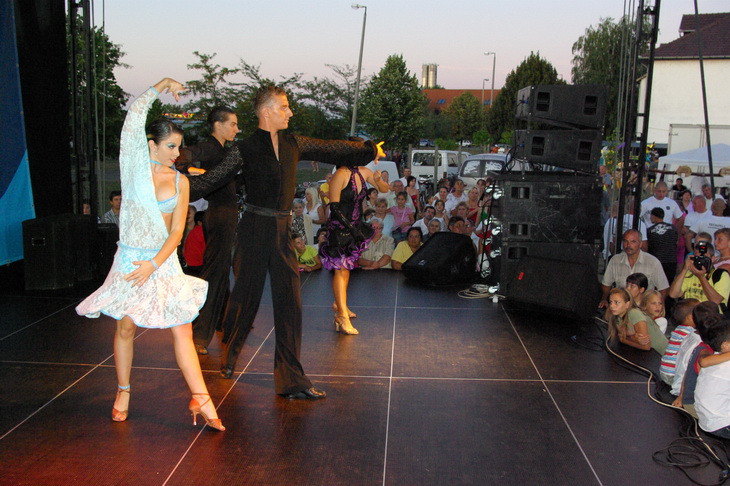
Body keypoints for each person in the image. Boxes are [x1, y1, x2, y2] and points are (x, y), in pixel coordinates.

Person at [187, 84, 382, 399]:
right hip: (253, 230)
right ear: (266, 111)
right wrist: (171, 177)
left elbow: (331, 149)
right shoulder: (245, 148)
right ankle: (230, 354)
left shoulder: (294, 143)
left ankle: (291, 380)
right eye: (284, 107)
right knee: (244, 298)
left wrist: (369, 150)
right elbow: (209, 181)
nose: (290, 112)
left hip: (281, 230)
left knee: (290, 304)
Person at [75, 78, 224, 431]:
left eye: (179, 147)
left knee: (182, 329)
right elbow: (133, 119)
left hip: (163, 261)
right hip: (130, 260)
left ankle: (201, 398)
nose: (176, 153)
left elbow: (177, 232)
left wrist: (154, 265)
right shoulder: (134, 170)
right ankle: (123, 391)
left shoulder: (180, 181)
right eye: (170, 146)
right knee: (125, 327)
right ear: (151, 145)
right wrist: (158, 88)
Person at [175, 105, 240, 356]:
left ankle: (223, 321)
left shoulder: (227, 150)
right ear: (218, 125)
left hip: (227, 215)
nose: (236, 129)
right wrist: (191, 170)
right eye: (232, 124)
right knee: (215, 272)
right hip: (219, 215)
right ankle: (199, 334)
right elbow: (183, 154)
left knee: (221, 271)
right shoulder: (210, 147)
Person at [319, 162, 389, 334]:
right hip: (340, 228)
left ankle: (340, 304)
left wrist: (379, 180)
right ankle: (342, 315)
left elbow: (385, 189)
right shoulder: (340, 174)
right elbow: (334, 207)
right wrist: (351, 228)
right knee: (340, 269)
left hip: (355, 226)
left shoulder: (363, 172)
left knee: (346, 269)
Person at [599, 229, 670, 308]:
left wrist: (655, 307)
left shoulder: (653, 262)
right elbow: (606, 284)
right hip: (622, 307)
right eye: (625, 241)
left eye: (633, 242)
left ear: (640, 244)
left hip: (644, 308)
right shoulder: (615, 260)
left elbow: (663, 289)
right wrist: (604, 299)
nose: (628, 245)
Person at [605, 288, 668, 355]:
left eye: (616, 302)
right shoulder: (618, 317)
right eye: (611, 302)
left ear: (627, 304)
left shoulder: (634, 313)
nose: (612, 306)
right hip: (649, 354)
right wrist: (632, 338)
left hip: (664, 354)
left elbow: (646, 346)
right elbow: (621, 337)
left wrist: (625, 340)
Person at [668, 243, 730, 308]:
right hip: (691, 313)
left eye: (704, 258)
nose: (700, 262)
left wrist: (701, 277)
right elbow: (673, 294)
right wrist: (684, 269)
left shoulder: (720, 275)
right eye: (697, 258)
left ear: (713, 259)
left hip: (711, 313)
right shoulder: (689, 274)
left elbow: (716, 301)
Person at [646, 207, 678, 283]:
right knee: (669, 283)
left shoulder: (650, 230)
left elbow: (648, 246)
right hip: (671, 261)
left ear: (653, 216)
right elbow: (676, 242)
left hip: (656, 261)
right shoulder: (673, 228)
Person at [183, 210, 206, 276]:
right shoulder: (201, 232)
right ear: (199, 222)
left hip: (190, 263)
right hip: (198, 264)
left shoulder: (193, 231)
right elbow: (205, 250)